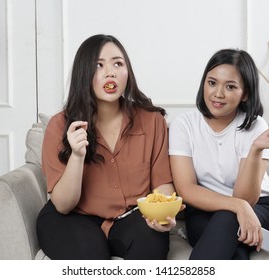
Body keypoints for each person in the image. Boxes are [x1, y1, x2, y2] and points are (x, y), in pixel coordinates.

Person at [36, 34, 178, 260]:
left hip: (132, 216)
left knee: (150, 244)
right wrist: (77, 155)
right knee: (90, 253)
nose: (110, 72)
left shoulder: (152, 121)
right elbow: (62, 204)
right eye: (98, 65)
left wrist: (164, 214)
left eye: (118, 63)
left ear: (127, 73)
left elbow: (162, 185)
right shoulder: (59, 125)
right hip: (72, 217)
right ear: (84, 73)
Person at [169, 49, 269, 260]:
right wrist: (237, 206)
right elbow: (186, 189)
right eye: (212, 83)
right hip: (204, 211)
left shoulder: (256, 126)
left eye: (230, 86)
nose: (218, 93)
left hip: (260, 208)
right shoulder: (184, 125)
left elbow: (246, 199)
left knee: (228, 220)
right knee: (236, 253)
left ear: (246, 94)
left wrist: (255, 150)